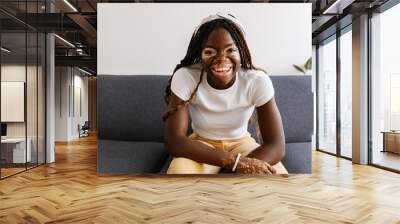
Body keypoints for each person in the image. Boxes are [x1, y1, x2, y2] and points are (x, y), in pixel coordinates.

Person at [163, 13, 288, 174]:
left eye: (231, 50)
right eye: (209, 52)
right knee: (179, 172)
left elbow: (276, 146)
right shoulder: (186, 76)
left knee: (276, 178)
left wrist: (236, 167)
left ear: (242, 52)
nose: (221, 59)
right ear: (199, 54)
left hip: (242, 144)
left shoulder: (257, 80)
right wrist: (233, 162)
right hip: (202, 145)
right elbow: (174, 141)